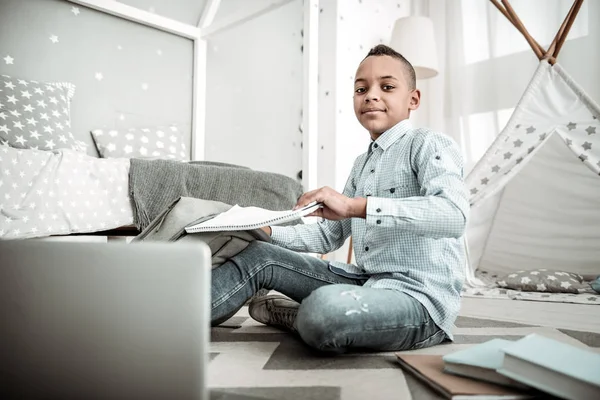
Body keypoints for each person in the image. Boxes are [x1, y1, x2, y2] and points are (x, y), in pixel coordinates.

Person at [211, 44, 469, 353]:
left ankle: (298, 316)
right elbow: (328, 235)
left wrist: (354, 206)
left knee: (324, 311)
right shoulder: (362, 164)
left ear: (413, 99)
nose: (371, 95)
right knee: (258, 254)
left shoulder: (428, 143)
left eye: (386, 87)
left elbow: (453, 215)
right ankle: (178, 314)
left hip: (418, 300)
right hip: (365, 282)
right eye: (361, 89)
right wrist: (265, 230)